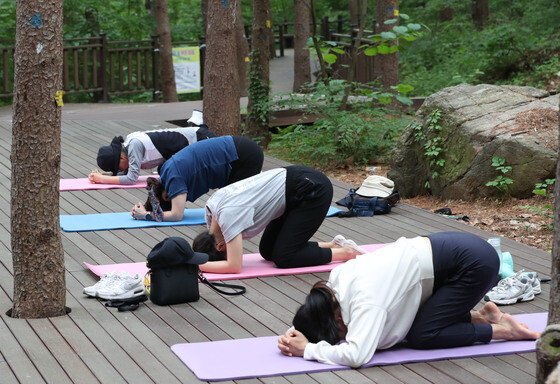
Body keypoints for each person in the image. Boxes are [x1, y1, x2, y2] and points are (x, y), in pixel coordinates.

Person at [277, 231, 541, 368]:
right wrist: (295, 333)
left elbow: (357, 354)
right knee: (413, 322)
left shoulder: (366, 301)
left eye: (338, 332)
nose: (345, 334)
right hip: (454, 252)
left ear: (335, 318)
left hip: (473, 264)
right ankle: (482, 315)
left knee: (422, 335)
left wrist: (308, 350)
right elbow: (316, 312)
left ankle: (503, 331)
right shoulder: (335, 285)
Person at [191, 165, 363, 274]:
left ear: (220, 246)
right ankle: (333, 244)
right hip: (294, 187)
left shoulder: (228, 217)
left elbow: (234, 266)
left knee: (284, 258)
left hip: (313, 190)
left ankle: (347, 253)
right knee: (268, 251)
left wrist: (194, 265)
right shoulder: (211, 212)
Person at [131, 135, 264, 222]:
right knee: (225, 208)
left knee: (234, 212)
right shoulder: (166, 171)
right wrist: (146, 207)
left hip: (243, 156)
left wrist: (145, 215)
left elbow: (176, 215)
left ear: (166, 196)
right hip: (239, 149)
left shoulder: (174, 178)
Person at [90, 124, 215, 185]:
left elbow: (131, 178)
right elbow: (126, 172)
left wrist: (102, 179)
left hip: (200, 139)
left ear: (122, 157)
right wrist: (105, 175)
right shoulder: (128, 147)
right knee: (165, 171)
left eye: (117, 168)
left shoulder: (134, 145)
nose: (119, 170)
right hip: (192, 145)